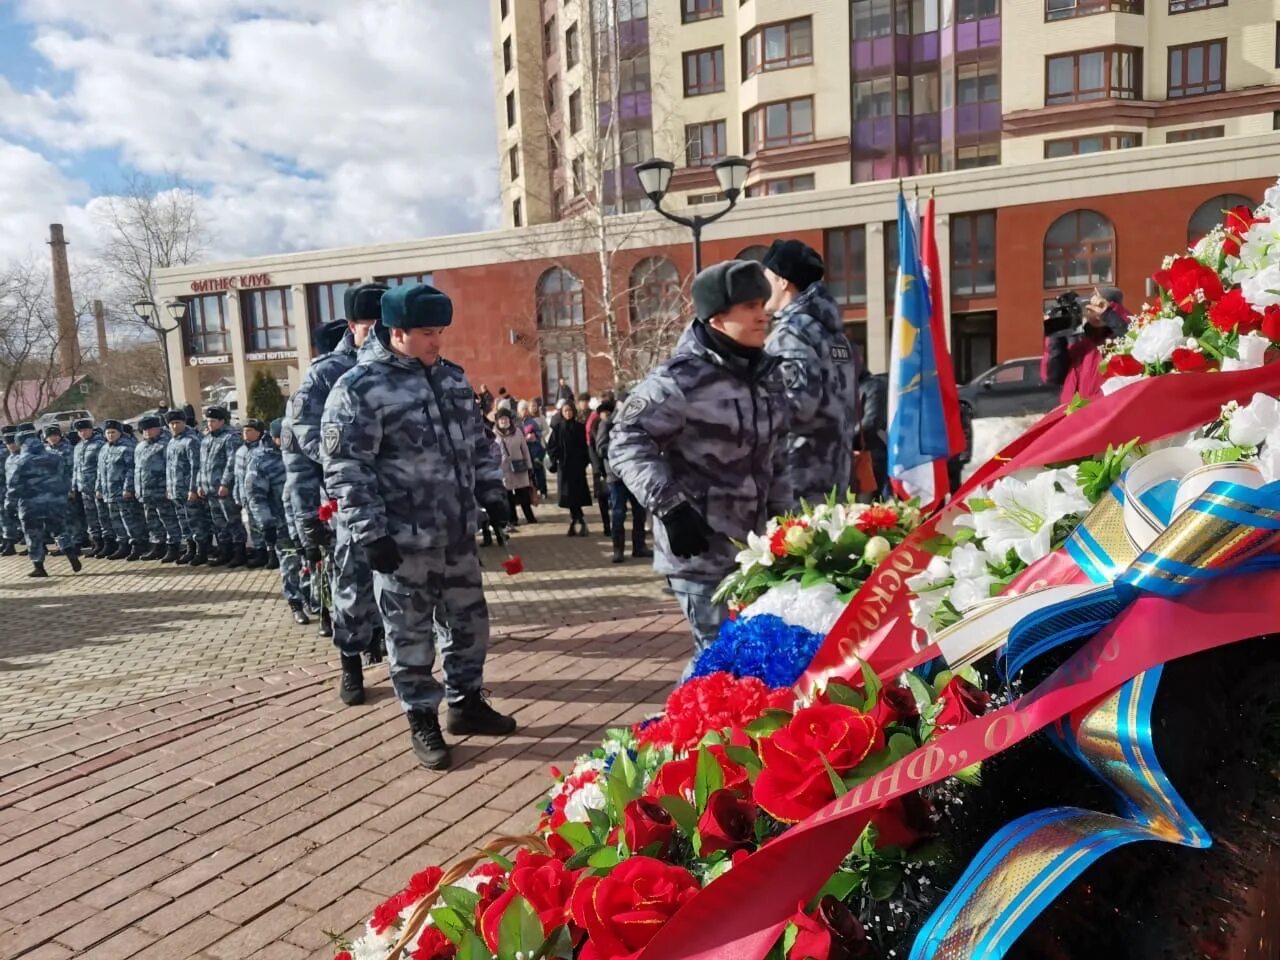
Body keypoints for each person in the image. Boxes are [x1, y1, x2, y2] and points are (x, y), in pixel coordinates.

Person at [322, 282, 516, 770]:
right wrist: (371, 533)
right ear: (397, 331)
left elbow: (476, 443)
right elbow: (346, 467)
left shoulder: (451, 379)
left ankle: (466, 703)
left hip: (456, 534)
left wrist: (493, 494)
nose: (437, 341)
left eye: (440, 331)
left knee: (469, 624)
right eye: (427, 332)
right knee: (409, 634)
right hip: (402, 540)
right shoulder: (360, 388)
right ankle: (421, 717)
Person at [609, 259, 792, 675]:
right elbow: (624, 440)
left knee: (750, 659)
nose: (763, 313)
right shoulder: (680, 380)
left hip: (758, 549)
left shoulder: (765, 374)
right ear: (716, 316)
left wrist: (788, 524)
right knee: (720, 663)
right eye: (749, 306)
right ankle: (676, 738)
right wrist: (671, 508)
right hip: (701, 552)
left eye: (763, 302)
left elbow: (775, 455)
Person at [286, 284, 386, 691]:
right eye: (370, 324)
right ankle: (351, 667)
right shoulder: (327, 372)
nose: (379, 332)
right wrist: (307, 514)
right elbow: (299, 443)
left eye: (385, 323)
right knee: (351, 587)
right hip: (346, 502)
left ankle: (399, 661)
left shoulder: (400, 364)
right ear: (352, 325)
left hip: (398, 499)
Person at [761, 238, 859, 506]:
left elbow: (797, 407)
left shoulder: (792, 333)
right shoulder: (834, 333)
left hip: (800, 478)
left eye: (766, 275)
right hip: (836, 472)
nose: (762, 284)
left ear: (783, 281)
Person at [247, 418, 309, 622]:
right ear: (274, 438)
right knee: (290, 564)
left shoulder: (302, 454)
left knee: (311, 563)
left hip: (306, 520)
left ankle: (314, 601)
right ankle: (295, 602)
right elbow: (255, 496)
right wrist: (266, 524)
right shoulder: (261, 461)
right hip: (281, 523)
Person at [5, 424, 80, 577]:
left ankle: (39, 566)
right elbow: (64, 478)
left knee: (33, 535)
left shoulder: (20, 461)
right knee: (59, 529)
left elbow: (13, 486)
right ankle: (70, 552)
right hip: (55, 502)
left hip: (30, 505)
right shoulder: (55, 457)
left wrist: (9, 506)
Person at [1041, 286, 1130, 404]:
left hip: (1104, 413)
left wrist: (1110, 315)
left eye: (1099, 306)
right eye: (1090, 306)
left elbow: (1133, 341)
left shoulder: (1120, 338)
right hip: (1073, 414)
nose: (1094, 312)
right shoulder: (1080, 343)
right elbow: (1052, 377)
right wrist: (1056, 335)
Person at [592, 398, 652, 564]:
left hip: (635, 474)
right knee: (618, 513)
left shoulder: (637, 422)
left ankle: (639, 546)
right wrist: (621, 450)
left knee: (639, 511)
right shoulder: (607, 424)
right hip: (616, 475)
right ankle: (618, 550)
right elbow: (600, 448)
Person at [198, 405, 246, 568]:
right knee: (218, 523)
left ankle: (239, 553)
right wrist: (200, 484)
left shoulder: (230, 438)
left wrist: (225, 483)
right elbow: (201, 465)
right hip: (210, 489)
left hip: (224, 489)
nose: (209, 424)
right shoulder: (206, 439)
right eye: (208, 421)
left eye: (213, 421)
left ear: (221, 421)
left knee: (232, 521)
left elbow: (232, 463)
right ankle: (225, 551)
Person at [97, 419, 145, 560]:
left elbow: (132, 470)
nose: (110, 435)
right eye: (108, 433)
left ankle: (137, 545)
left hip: (123, 492)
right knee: (116, 520)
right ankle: (123, 545)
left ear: (120, 433)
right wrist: (99, 488)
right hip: (109, 492)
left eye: (113, 432)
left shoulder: (127, 448)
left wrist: (128, 488)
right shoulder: (104, 449)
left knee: (129, 520)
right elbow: (100, 471)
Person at [165, 409, 207, 565]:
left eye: (177, 423)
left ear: (184, 423)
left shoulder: (191, 441)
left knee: (195, 521)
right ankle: (190, 550)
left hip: (189, 490)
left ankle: (202, 551)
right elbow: (169, 468)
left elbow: (196, 467)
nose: (175, 426)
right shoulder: (171, 442)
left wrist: (193, 489)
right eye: (172, 423)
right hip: (176, 490)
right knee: (184, 522)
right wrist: (169, 488)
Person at [133, 415, 178, 561]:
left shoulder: (166, 444)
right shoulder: (140, 447)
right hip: (145, 492)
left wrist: (169, 487)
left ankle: (174, 547)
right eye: (144, 430)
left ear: (158, 428)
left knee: (168, 519)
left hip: (161, 490)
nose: (147, 432)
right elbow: (137, 470)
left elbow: (171, 468)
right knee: (152, 521)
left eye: (150, 428)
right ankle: (158, 546)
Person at [546, 398, 592, 536]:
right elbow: (551, 447)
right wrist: (557, 459)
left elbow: (585, 447)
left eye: (570, 410)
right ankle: (578, 521)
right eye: (565, 411)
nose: (568, 413)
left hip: (577, 467)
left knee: (577, 495)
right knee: (568, 496)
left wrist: (584, 461)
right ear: (562, 412)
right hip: (564, 468)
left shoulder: (579, 427)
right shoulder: (558, 428)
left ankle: (577, 522)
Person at [234, 418, 270, 568]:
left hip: (260, 496)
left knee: (264, 524)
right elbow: (237, 476)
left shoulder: (263, 450)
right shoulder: (241, 450)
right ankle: (259, 551)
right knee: (253, 525)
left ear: (259, 433)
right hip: (245, 495)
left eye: (249, 431)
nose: (245, 433)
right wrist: (237, 494)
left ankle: (269, 552)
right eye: (244, 430)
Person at [44, 424, 85, 549]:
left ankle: (77, 540)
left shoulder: (67, 449)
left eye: (56, 435)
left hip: (65, 487)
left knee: (71, 516)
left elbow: (73, 470)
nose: (53, 438)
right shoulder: (45, 451)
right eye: (50, 436)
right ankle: (63, 544)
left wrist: (71, 488)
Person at [495, 409, 537, 527]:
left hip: (519, 467)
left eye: (506, 418)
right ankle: (513, 519)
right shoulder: (494, 434)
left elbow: (525, 450)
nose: (504, 421)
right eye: (501, 419)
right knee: (508, 496)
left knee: (523, 494)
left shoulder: (517, 432)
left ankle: (530, 516)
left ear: (510, 420)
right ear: (497, 421)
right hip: (503, 469)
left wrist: (529, 466)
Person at [72, 419, 107, 557]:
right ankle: (96, 543)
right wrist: (74, 486)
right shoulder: (78, 447)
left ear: (91, 429)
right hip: (84, 489)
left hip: (97, 487)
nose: (83, 433)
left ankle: (107, 542)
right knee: (91, 517)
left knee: (102, 516)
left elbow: (102, 468)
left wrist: (100, 486)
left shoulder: (99, 445)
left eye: (86, 430)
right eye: (80, 431)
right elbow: (76, 469)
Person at [854, 367, 889, 502]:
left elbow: (871, 422)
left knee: (870, 503)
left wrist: (844, 439)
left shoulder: (874, 386)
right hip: (856, 454)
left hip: (872, 455)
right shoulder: (850, 388)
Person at [585, 390, 614, 536]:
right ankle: (606, 525)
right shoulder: (595, 427)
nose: (606, 414)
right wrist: (597, 468)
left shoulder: (616, 425)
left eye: (609, 412)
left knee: (615, 500)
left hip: (614, 468)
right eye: (604, 412)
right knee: (603, 498)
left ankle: (614, 524)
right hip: (600, 468)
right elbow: (591, 448)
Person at [517, 400, 548, 498]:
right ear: (519, 411)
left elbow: (539, 432)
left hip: (534, 449)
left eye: (526, 409)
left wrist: (534, 435)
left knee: (538, 469)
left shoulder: (531, 421)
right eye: (522, 409)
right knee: (529, 472)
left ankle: (543, 491)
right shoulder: (516, 423)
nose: (524, 411)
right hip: (522, 451)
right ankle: (533, 491)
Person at [0, 426, 17, 556]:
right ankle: (6, 542)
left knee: (7, 517)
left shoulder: (5, 452)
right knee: (3, 517)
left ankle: (10, 543)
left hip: (7, 488)